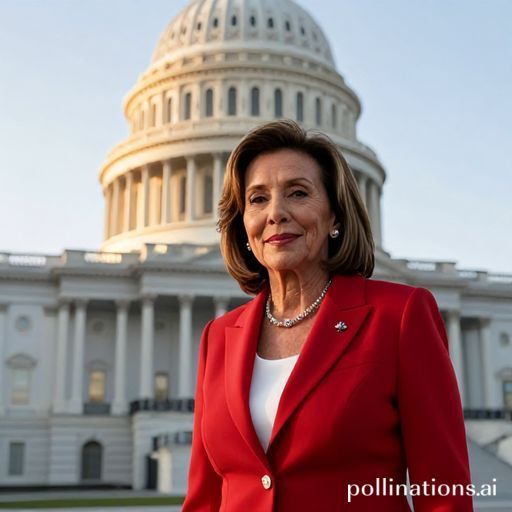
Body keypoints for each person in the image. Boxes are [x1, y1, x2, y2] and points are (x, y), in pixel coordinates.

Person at [181, 120, 473, 511]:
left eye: (298, 193)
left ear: (335, 215)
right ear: (243, 224)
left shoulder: (399, 317)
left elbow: (444, 493)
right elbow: (205, 497)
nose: (276, 213)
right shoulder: (218, 337)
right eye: (257, 199)